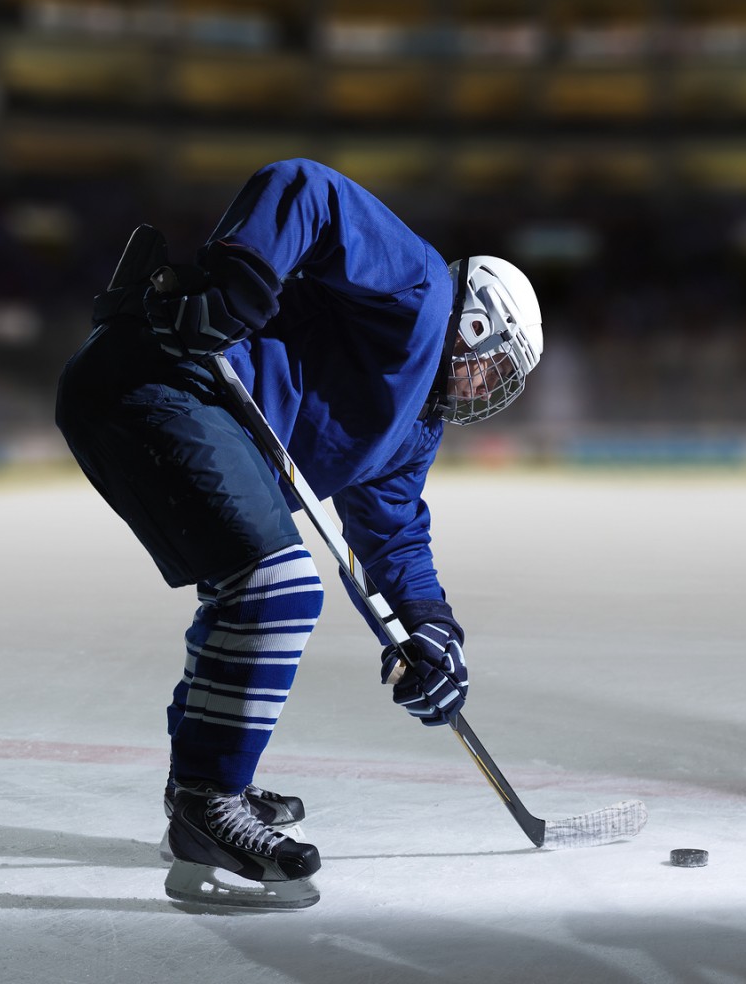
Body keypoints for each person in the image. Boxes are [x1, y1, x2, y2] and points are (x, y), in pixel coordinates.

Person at [55, 158, 543, 908]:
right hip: (163, 378)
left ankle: (202, 785)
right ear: (475, 323)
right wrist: (235, 288)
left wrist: (430, 628)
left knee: (245, 591)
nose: (488, 389)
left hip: (175, 404)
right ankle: (208, 806)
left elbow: (394, 537)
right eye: (495, 367)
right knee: (274, 586)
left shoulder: (414, 429)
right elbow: (307, 188)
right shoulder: (420, 288)